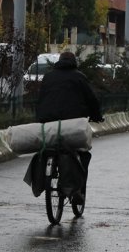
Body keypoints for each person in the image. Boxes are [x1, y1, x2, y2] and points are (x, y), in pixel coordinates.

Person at [36, 51, 103, 203]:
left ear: (58, 62)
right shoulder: (79, 76)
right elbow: (92, 99)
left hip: (48, 122)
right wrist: (97, 116)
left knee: (47, 149)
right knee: (83, 154)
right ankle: (77, 190)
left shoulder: (48, 77)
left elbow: (41, 99)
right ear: (74, 62)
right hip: (72, 124)